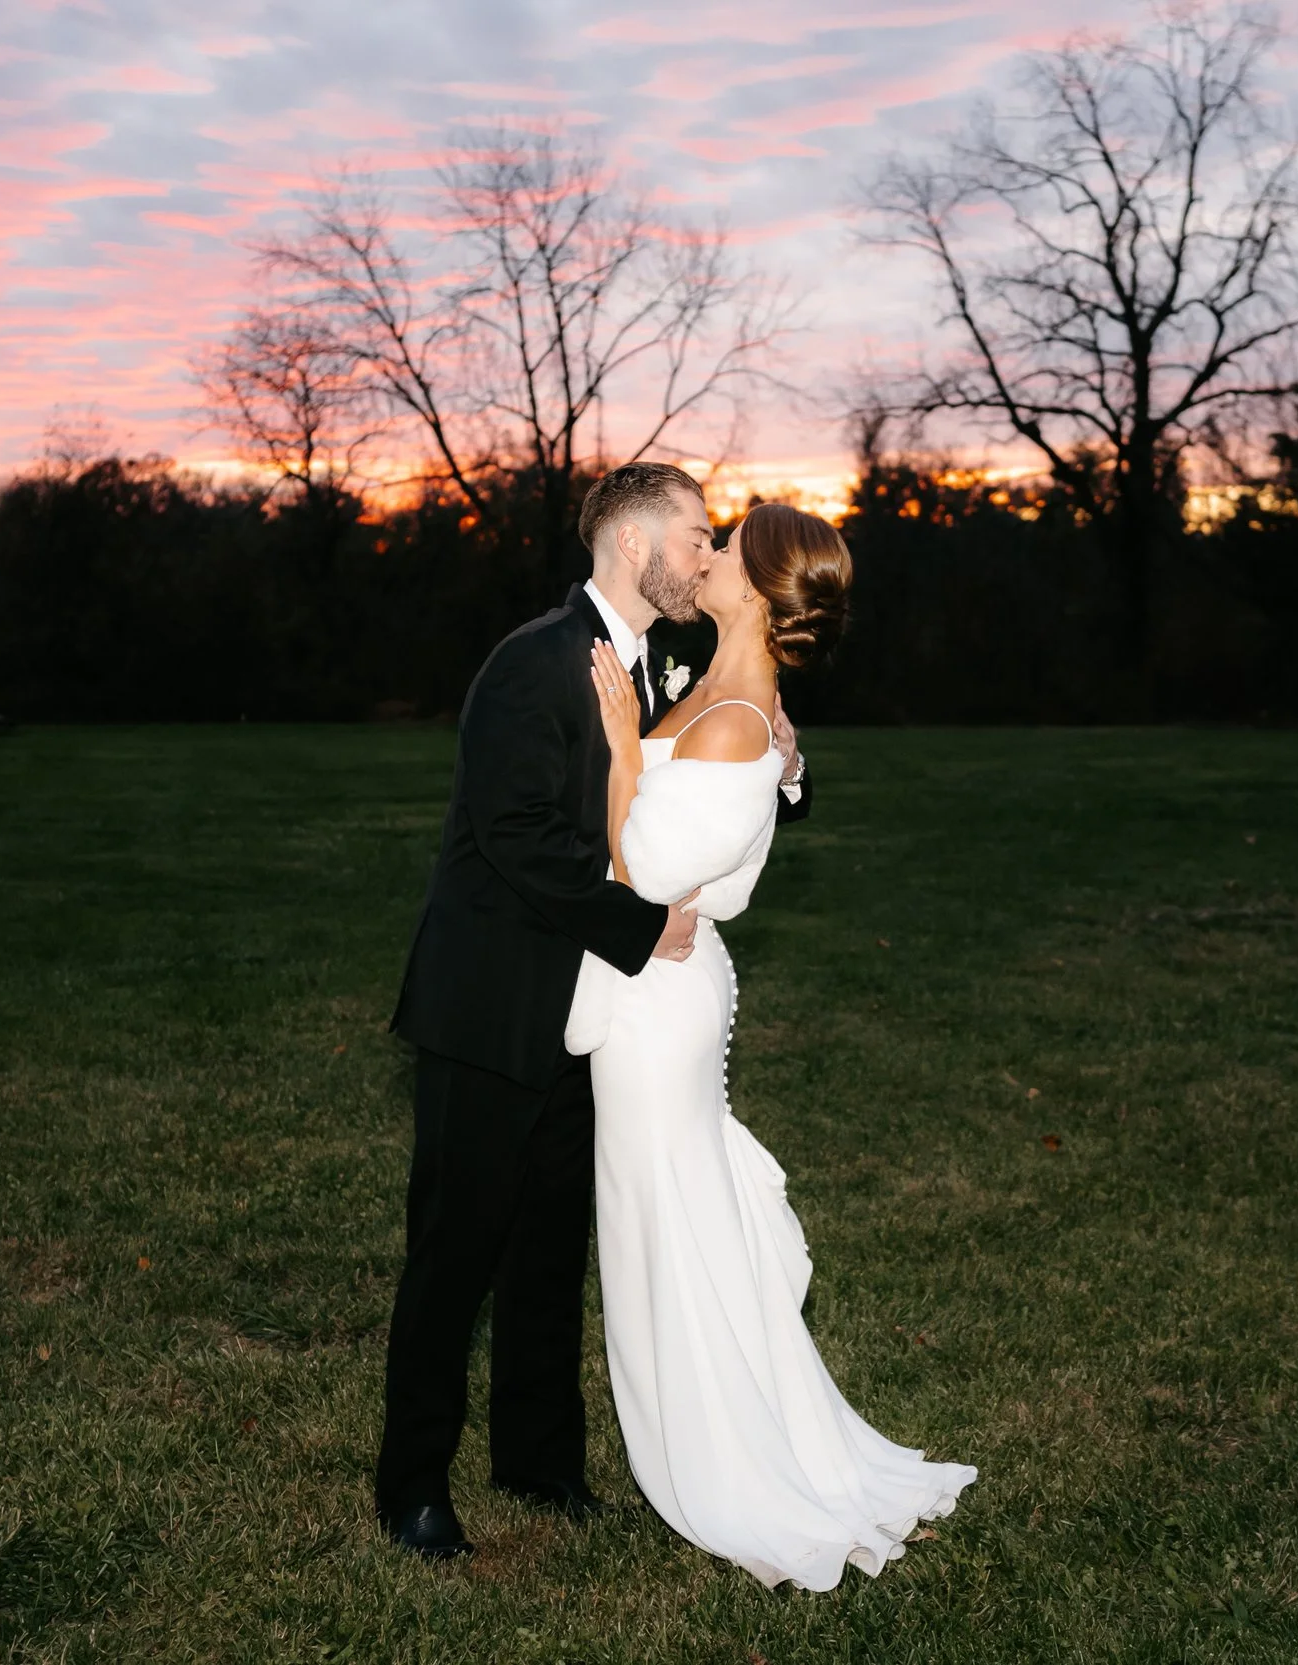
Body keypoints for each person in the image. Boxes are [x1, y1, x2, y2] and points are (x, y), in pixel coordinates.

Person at [376, 462, 804, 1559]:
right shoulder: (533, 662)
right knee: (455, 1253)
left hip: (597, 1020)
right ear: (634, 544)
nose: (707, 555)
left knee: (548, 1251)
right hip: (495, 1006)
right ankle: (411, 1483)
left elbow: (705, 786)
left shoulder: (668, 666)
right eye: (696, 535)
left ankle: (539, 1463)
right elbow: (515, 833)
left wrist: (790, 769)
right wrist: (638, 921)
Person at [576, 502, 976, 1591]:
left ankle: (727, 1461)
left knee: (670, 1228)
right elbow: (749, 775)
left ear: (754, 587)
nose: (703, 554)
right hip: (660, 990)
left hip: (658, 996)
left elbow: (642, 874)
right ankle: (736, 1421)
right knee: (678, 1219)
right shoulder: (721, 686)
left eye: (723, 544)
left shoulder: (735, 712)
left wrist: (622, 747)